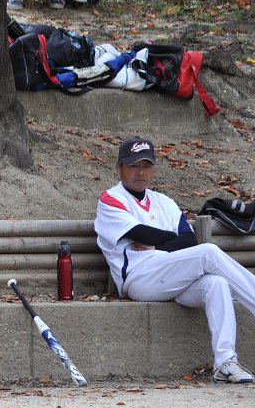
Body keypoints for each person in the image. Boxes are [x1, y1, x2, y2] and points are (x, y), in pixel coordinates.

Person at [95, 136, 255, 384]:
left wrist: (155, 243)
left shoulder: (164, 202)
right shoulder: (110, 199)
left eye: (146, 166)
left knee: (217, 284)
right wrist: (163, 240)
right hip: (139, 278)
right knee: (208, 252)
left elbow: (187, 242)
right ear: (120, 168)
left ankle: (225, 363)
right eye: (134, 165)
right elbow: (141, 234)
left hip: (174, 277)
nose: (141, 172)